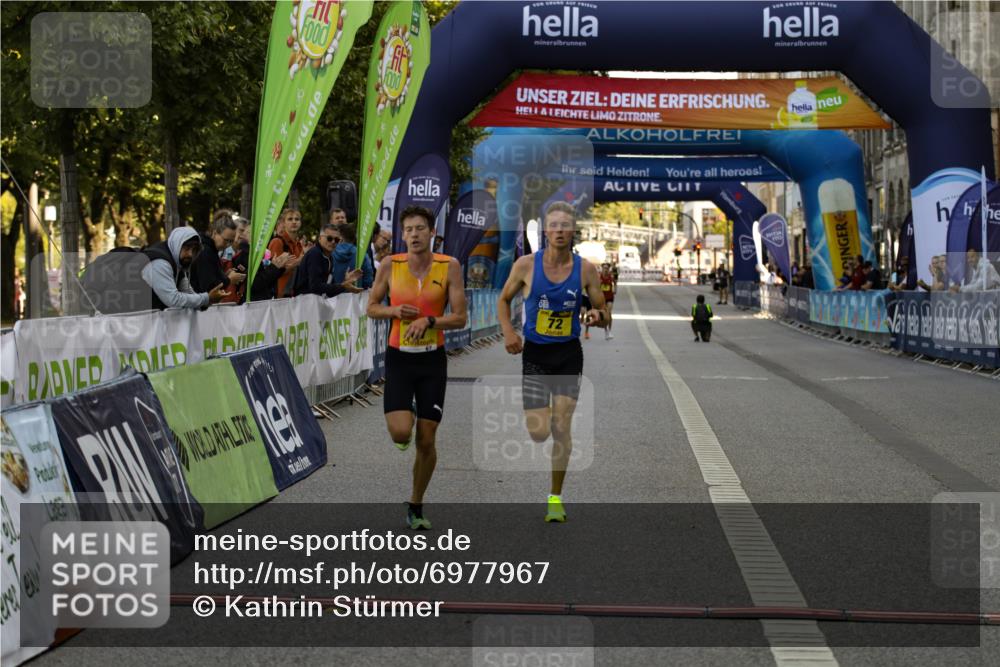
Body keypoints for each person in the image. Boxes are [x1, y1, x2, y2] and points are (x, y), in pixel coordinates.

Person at [498, 201, 609, 524]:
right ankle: (540, 420)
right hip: (535, 354)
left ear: (573, 231)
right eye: (554, 225)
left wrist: (595, 315)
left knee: (561, 426)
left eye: (565, 225)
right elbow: (504, 300)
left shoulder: (585, 269)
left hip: (568, 354)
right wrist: (508, 331)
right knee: (539, 432)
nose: (559, 231)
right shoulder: (525, 266)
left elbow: (604, 313)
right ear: (546, 230)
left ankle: (555, 498)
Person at [367, 206, 467, 530]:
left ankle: (416, 503)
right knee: (400, 432)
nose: (413, 234)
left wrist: (430, 320)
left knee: (426, 439)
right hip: (400, 358)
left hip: (431, 360)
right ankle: (406, 409)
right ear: (402, 234)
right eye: (408, 229)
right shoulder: (389, 266)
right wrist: (395, 311)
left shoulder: (449, 266)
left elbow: (461, 317)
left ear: (431, 233)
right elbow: (371, 308)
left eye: (419, 228)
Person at [141, 227, 227, 309]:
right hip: (135, 321)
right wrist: (207, 298)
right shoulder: (160, 263)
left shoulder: (178, 263)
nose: (190, 254)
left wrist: (207, 301)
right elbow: (173, 300)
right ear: (177, 244)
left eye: (194, 250)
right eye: (187, 247)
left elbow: (188, 292)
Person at [296, 223, 363, 297]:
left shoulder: (329, 257)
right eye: (329, 238)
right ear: (320, 238)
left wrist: (345, 282)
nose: (333, 242)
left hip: (314, 302)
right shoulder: (315, 254)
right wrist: (343, 286)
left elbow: (330, 291)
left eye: (337, 240)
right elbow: (315, 287)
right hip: (305, 303)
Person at [191, 210, 244, 296]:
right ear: (215, 233)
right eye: (226, 240)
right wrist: (229, 279)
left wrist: (224, 275)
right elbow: (209, 287)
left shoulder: (211, 250)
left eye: (231, 241)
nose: (228, 245)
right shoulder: (205, 251)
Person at [267, 208, 305, 298]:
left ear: (300, 223)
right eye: (290, 219)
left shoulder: (299, 244)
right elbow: (271, 273)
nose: (294, 222)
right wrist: (298, 262)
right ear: (283, 223)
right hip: (280, 295)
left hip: (295, 294)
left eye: (297, 219)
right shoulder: (277, 242)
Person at [332, 223, 375, 289]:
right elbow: (368, 281)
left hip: (331, 296)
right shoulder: (362, 255)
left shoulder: (329, 253)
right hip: (356, 296)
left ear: (340, 238)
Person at [599, 263, 616, 341]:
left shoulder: (611, 277)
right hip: (602, 298)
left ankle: (610, 331)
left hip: (609, 297)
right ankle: (606, 331)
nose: (605, 269)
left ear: (609, 269)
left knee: (609, 313)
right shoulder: (598, 277)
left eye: (607, 268)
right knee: (604, 315)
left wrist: (615, 289)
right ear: (602, 268)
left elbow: (615, 283)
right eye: (604, 268)